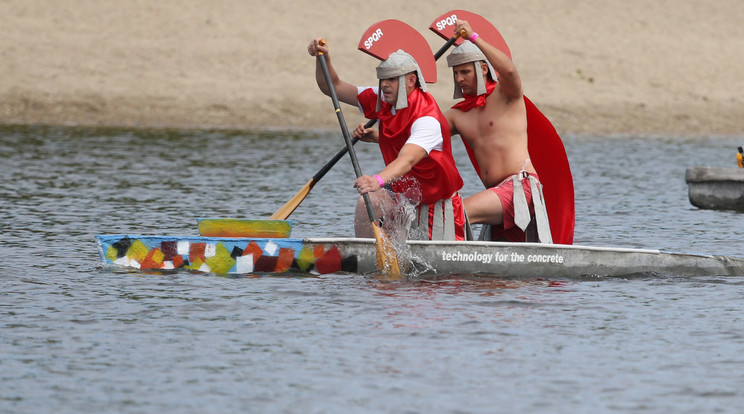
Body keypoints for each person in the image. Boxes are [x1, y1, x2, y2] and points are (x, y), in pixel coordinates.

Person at [307, 38, 466, 241]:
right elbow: (333, 87)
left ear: (411, 81)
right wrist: (323, 58)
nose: (385, 85)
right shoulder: (382, 97)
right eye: (382, 79)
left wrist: (377, 179)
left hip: (437, 206)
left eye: (392, 79)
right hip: (404, 194)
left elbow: (408, 159)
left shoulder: (428, 119)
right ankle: (369, 260)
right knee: (368, 202)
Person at [443, 20, 552, 243]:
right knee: (498, 279)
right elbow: (419, 138)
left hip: (520, 188)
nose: (459, 79)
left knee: (455, 214)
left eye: (464, 71)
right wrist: (377, 136)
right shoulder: (457, 115)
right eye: (456, 73)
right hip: (496, 197)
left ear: (484, 69)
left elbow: (509, 70)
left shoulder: (506, 95)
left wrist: (474, 37)